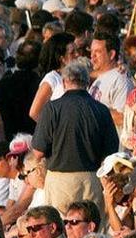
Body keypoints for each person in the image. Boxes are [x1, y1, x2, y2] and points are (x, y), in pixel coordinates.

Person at [31, 60, 120, 212]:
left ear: (64, 82)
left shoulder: (52, 109)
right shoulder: (102, 110)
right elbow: (111, 153)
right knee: (91, 230)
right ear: (87, 83)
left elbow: (38, 152)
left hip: (59, 182)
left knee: (61, 228)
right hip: (91, 180)